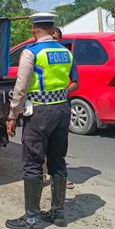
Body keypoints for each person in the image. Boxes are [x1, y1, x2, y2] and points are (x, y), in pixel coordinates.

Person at [5, 13, 79, 229]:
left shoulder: (31, 52)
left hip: (39, 113)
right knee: (57, 159)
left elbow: (21, 87)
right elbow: (74, 81)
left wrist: (12, 114)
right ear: (53, 28)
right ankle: (58, 213)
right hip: (63, 110)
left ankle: (32, 217)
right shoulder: (66, 52)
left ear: (34, 30)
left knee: (33, 162)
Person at [50, 27, 76, 190]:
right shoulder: (39, 56)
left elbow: (76, 82)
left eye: (55, 38)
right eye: (50, 38)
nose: (53, 41)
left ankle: (60, 177)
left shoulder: (67, 57)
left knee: (58, 147)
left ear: (60, 40)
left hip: (62, 107)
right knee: (42, 146)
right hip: (42, 109)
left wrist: (62, 93)